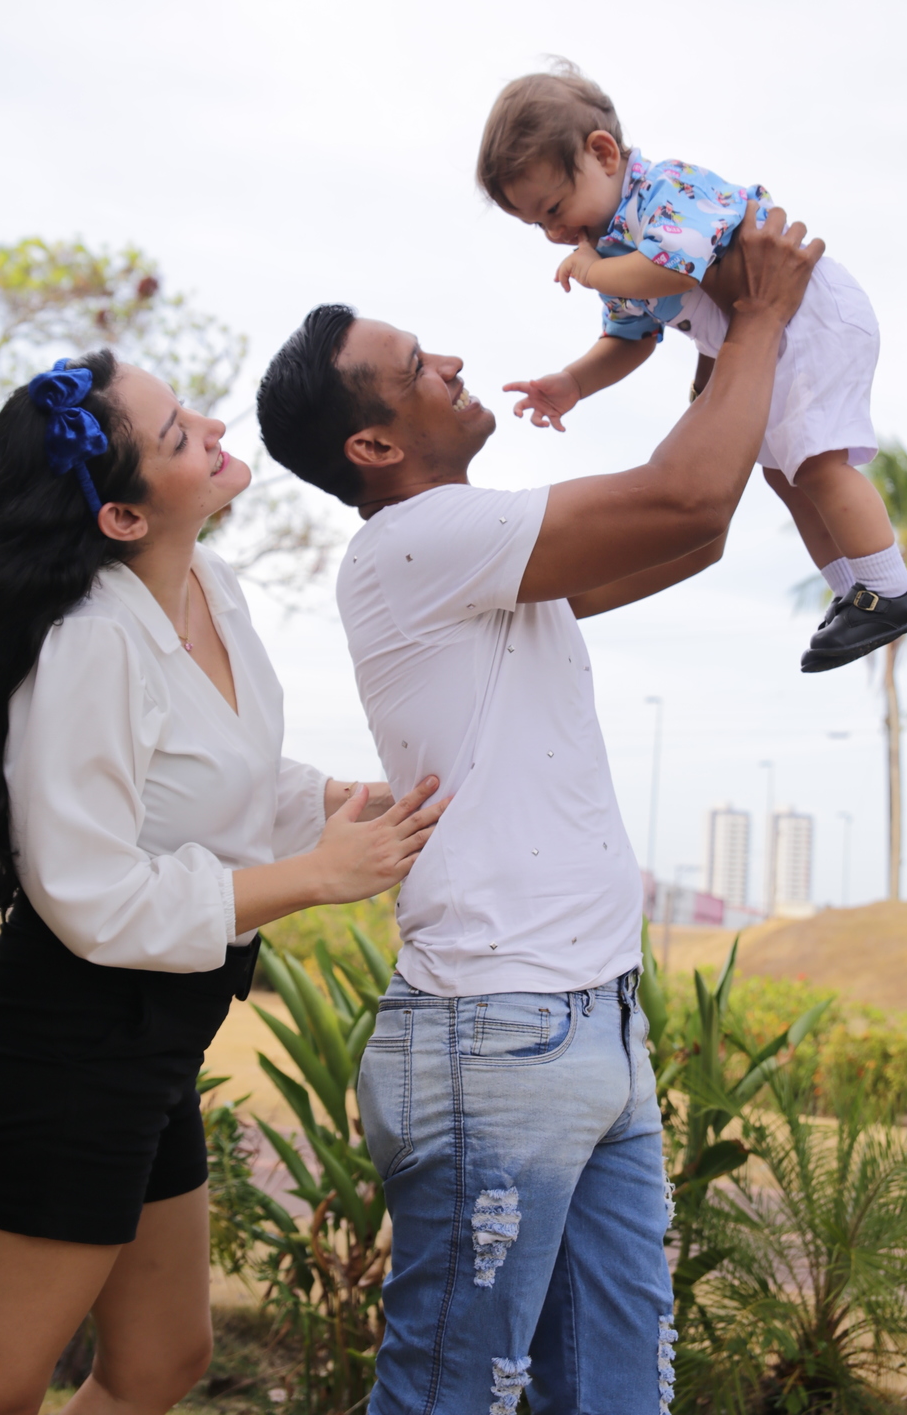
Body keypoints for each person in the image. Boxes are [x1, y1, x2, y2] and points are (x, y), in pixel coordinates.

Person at [256, 205, 819, 1415]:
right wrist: (761, 317)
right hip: (494, 1034)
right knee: (451, 1395)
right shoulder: (419, 543)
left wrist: (715, 327)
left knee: (618, 1394)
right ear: (372, 444)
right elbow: (683, 500)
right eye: (418, 366)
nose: (452, 362)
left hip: (589, 1021)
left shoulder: (488, 561)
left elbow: (696, 528)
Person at [0, 349, 445, 1415]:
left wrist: (332, 802)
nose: (214, 428)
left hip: (152, 1040)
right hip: (68, 1044)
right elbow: (92, 895)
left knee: (159, 1363)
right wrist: (312, 878)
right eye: (178, 435)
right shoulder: (90, 644)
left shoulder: (211, 590)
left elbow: (219, 778)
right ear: (124, 516)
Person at [477, 62, 907, 671]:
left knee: (816, 462)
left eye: (554, 207)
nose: (555, 233)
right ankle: (856, 591)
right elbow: (630, 338)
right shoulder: (612, 249)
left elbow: (673, 269)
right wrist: (574, 382)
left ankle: (891, 592)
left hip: (808, 317)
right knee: (785, 475)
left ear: (603, 154)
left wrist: (594, 271)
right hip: (768, 333)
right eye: (537, 224)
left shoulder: (665, 189)